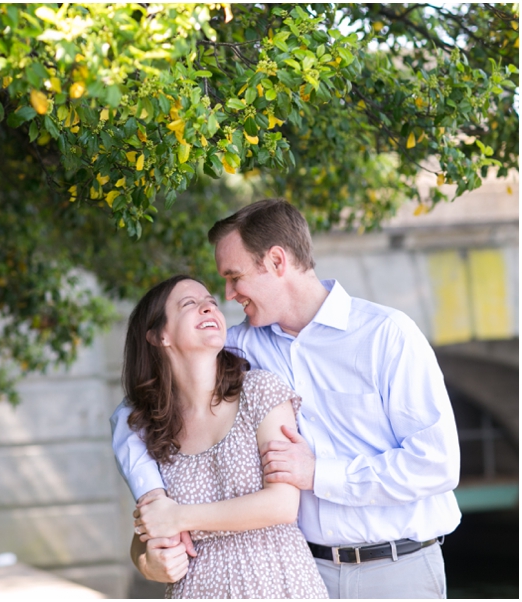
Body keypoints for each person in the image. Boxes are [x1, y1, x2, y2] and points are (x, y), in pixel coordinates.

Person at [112, 199, 461, 599]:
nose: (228, 295)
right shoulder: (242, 345)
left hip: (398, 570)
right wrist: (153, 498)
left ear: (276, 261)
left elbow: (437, 464)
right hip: (302, 574)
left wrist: (319, 474)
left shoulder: (387, 335)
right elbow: (134, 413)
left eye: (234, 277)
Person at [121, 274, 328, 598]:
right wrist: (148, 563)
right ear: (159, 335)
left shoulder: (260, 391)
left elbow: (282, 504)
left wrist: (179, 517)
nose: (208, 309)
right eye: (190, 304)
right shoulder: (148, 427)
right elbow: (150, 524)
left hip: (278, 587)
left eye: (211, 304)